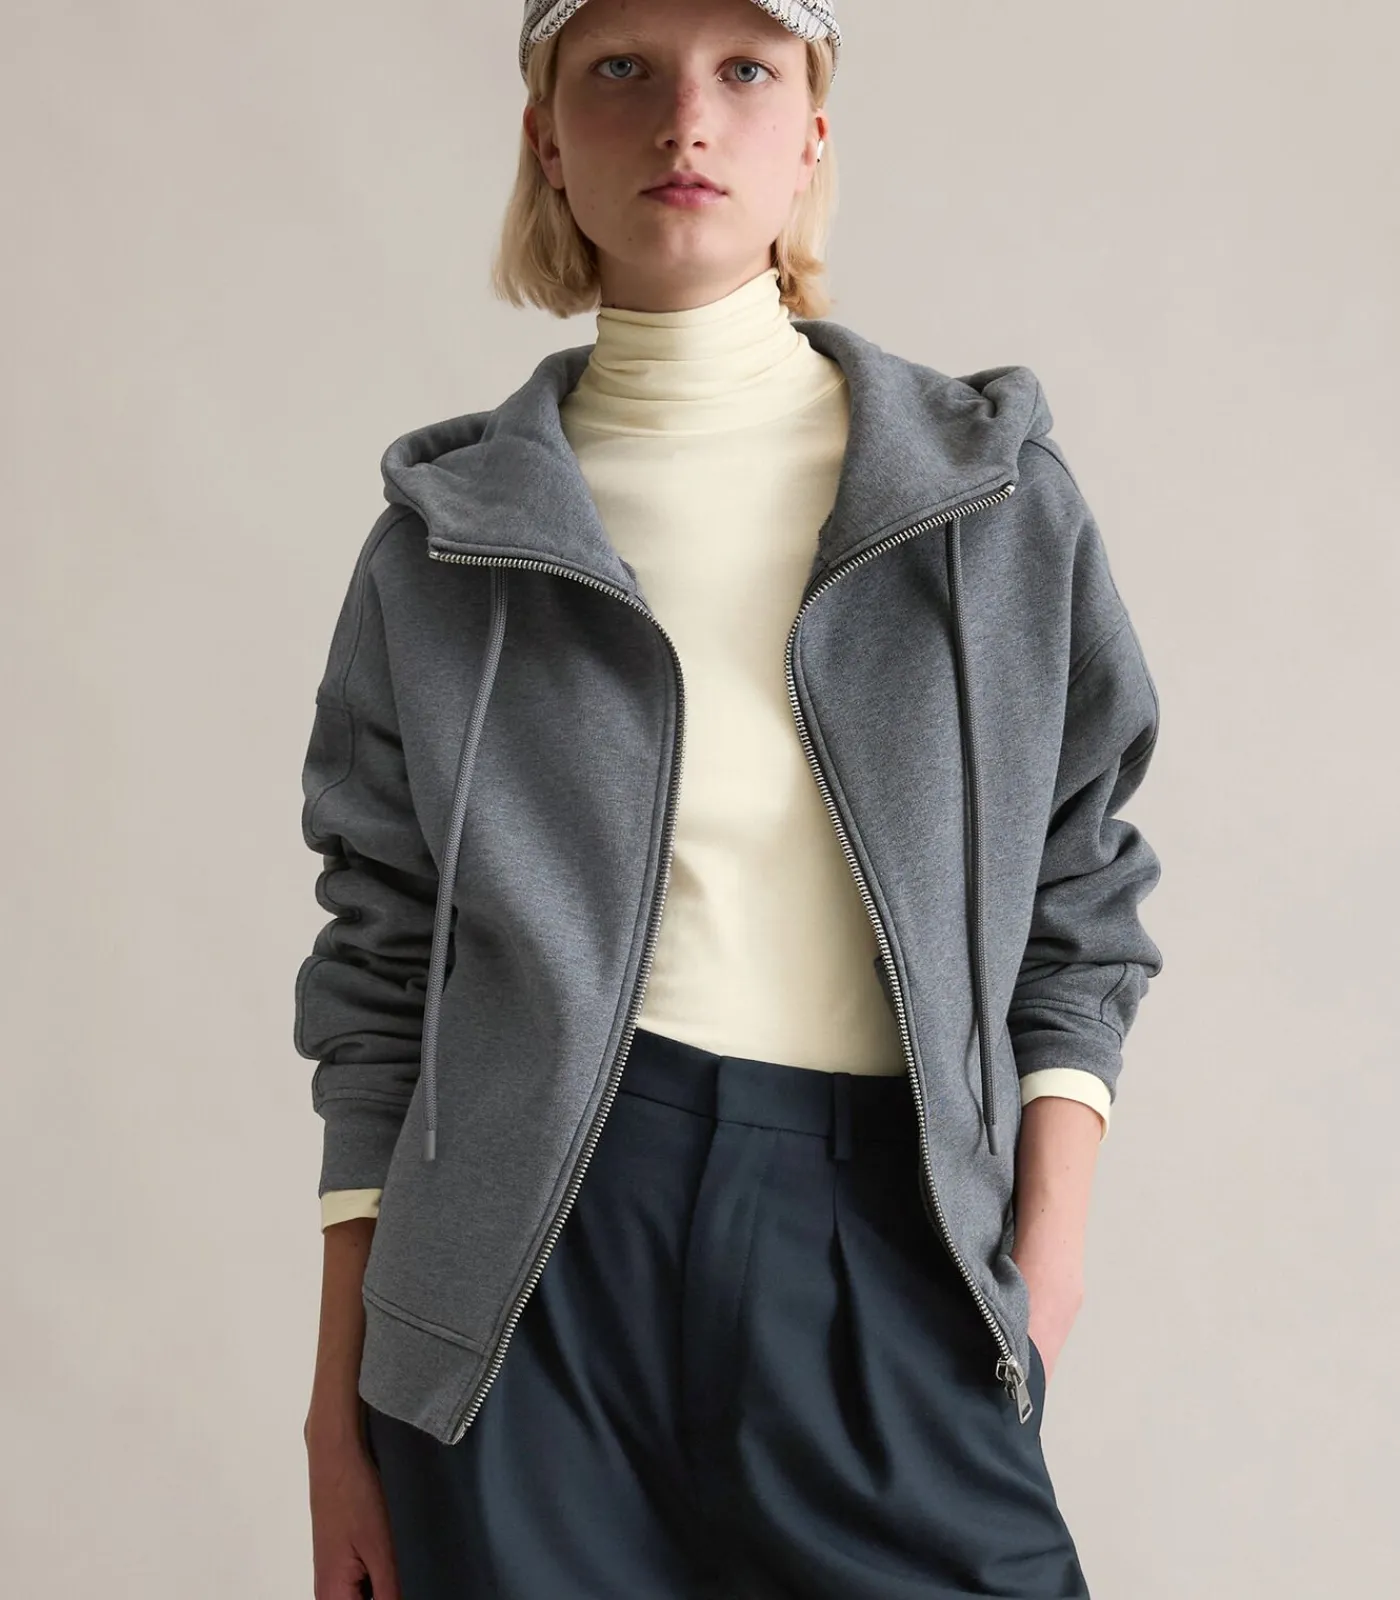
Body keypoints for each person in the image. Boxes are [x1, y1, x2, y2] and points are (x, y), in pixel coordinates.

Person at [300, 0, 1164, 1595]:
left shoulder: (985, 500)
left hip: (882, 1236)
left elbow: (1081, 892)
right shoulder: (443, 540)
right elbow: (378, 970)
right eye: (620, 70)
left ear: (813, 132)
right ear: (547, 139)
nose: (684, 118)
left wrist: (1045, 1269)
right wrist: (335, 1413)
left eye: (745, 70)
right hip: (522, 1288)